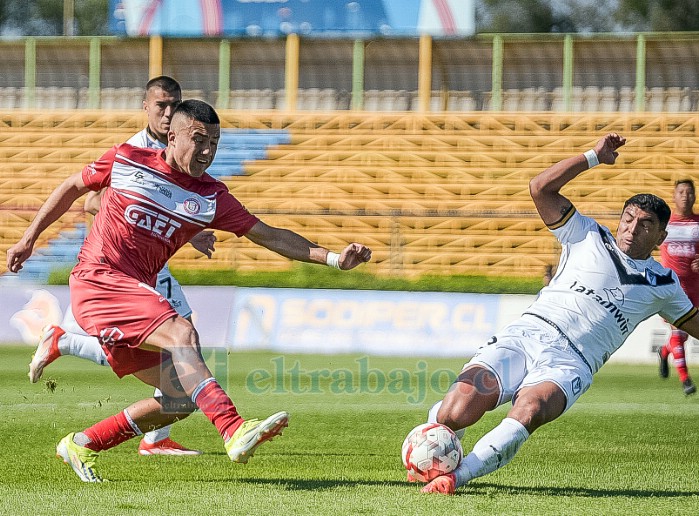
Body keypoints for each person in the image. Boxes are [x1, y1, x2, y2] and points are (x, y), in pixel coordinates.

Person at [6, 99, 373, 483]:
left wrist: (333, 259)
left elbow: (269, 235)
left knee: (180, 398)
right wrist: (29, 239)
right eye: (199, 140)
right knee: (183, 332)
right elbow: (73, 188)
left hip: (133, 292)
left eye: (214, 142)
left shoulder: (211, 196)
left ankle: (82, 442)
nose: (208, 151)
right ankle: (233, 428)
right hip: (99, 280)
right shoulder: (127, 159)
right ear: (171, 135)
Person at [419, 133, 699, 495]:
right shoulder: (586, 234)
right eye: (628, 218)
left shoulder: (665, 284)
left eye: (645, 224)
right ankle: (429, 443)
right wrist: (593, 157)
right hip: (528, 335)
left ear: (661, 236)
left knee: (530, 408)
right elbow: (539, 188)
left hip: (571, 361)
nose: (632, 228)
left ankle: (456, 476)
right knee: (453, 414)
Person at [28, 76, 211, 455]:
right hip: (125, 267)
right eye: (160, 105)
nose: (167, 112)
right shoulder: (134, 151)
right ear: (145, 107)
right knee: (178, 346)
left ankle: (154, 436)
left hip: (153, 263)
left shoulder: (180, 149)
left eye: (174, 104)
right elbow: (92, 202)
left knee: (181, 347)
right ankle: (70, 345)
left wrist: (186, 229)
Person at [658, 179, 697, 395]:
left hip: (695, 287)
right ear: (673, 196)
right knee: (678, 328)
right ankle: (685, 380)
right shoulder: (664, 222)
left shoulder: (698, 223)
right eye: (681, 192)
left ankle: (665, 352)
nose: (685, 196)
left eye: (689, 192)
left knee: (685, 333)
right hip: (671, 286)